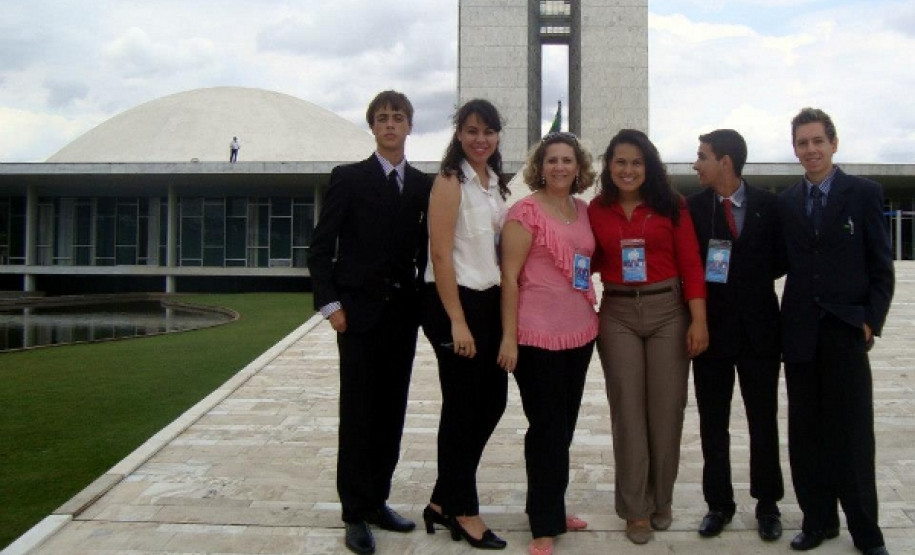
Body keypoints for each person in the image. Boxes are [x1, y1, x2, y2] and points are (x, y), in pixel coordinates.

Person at [308, 90, 432, 555]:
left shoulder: (421, 185)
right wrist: (330, 306)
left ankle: (378, 499)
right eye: (382, 118)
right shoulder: (349, 178)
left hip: (401, 318)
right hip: (357, 318)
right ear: (373, 127)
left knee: (391, 413)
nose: (390, 125)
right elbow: (321, 250)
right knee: (358, 415)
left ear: (409, 126)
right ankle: (354, 512)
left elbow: (427, 249)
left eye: (398, 117)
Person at [778, 108, 894, 555]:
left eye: (817, 141)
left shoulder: (863, 193)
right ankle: (818, 520)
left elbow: (882, 268)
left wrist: (870, 320)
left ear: (833, 143)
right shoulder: (787, 201)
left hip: (846, 332)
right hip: (801, 334)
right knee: (806, 435)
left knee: (853, 436)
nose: (810, 150)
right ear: (795, 149)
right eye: (802, 143)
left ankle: (866, 532)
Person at [587, 129, 708, 545]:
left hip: (667, 313)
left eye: (636, 162)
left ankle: (662, 499)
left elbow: (691, 263)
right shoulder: (597, 210)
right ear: (609, 166)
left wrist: (698, 319)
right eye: (620, 161)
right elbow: (587, 260)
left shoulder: (671, 206)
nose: (628, 169)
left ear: (649, 166)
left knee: (665, 411)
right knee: (628, 413)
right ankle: (634, 509)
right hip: (618, 312)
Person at [498, 131, 598, 555]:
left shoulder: (583, 210)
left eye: (567, 160)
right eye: (551, 160)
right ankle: (542, 523)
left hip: (579, 334)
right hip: (535, 338)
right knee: (545, 429)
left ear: (579, 167)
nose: (559, 167)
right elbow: (510, 278)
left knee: (565, 428)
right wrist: (508, 337)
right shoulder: (524, 212)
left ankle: (553, 509)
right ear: (539, 166)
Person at [686, 129, 785, 541]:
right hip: (711, 334)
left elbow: (782, 260)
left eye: (702, 156)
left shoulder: (769, 205)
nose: (696, 164)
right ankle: (719, 504)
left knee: (763, 420)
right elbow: (690, 267)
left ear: (725, 162)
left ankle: (768, 504)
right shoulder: (692, 209)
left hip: (761, 332)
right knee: (713, 422)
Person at [420, 99, 509, 551]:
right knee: (461, 408)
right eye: (472, 131)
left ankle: (441, 498)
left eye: (488, 131)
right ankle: (464, 511)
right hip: (453, 304)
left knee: (492, 402)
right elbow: (440, 255)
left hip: (489, 301)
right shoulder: (450, 181)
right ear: (459, 134)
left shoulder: (495, 184)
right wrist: (456, 320)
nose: (480, 139)